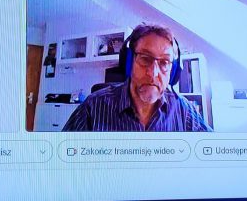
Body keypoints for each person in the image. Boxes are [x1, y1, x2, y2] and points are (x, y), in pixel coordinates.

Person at [62, 23, 210, 132]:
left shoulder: (183, 110)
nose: (153, 73)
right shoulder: (93, 107)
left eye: (164, 62)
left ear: (173, 71)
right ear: (128, 62)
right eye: (145, 58)